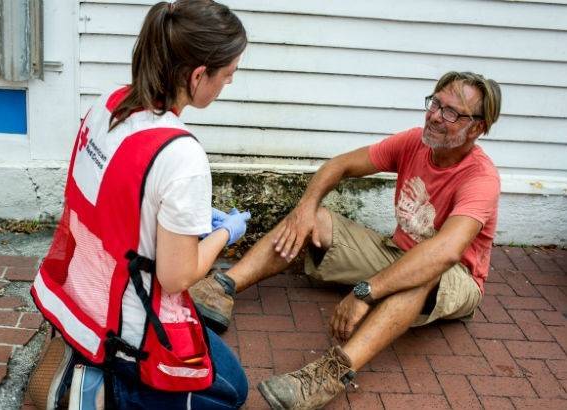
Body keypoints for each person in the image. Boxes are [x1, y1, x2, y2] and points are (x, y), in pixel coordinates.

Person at [189, 71, 502, 409]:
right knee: (317, 220)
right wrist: (306, 208)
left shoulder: (480, 178)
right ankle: (222, 288)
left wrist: (365, 292)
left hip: (456, 278)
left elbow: (445, 252)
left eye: (452, 112)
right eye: (435, 104)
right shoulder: (415, 142)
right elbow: (340, 165)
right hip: (398, 253)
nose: (436, 116)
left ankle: (331, 373)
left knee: (424, 274)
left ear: (477, 127)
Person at [27, 1, 249, 409]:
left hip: (82, 295)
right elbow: (177, 277)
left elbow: (115, 198)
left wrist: (182, 223)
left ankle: (82, 357)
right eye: (228, 75)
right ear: (199, 75)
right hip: (129, 328)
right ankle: (104, 393)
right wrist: (224, 233)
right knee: (231, 400)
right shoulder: (182, 155)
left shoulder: (108, 104)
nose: (227, 85)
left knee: (232, 381)